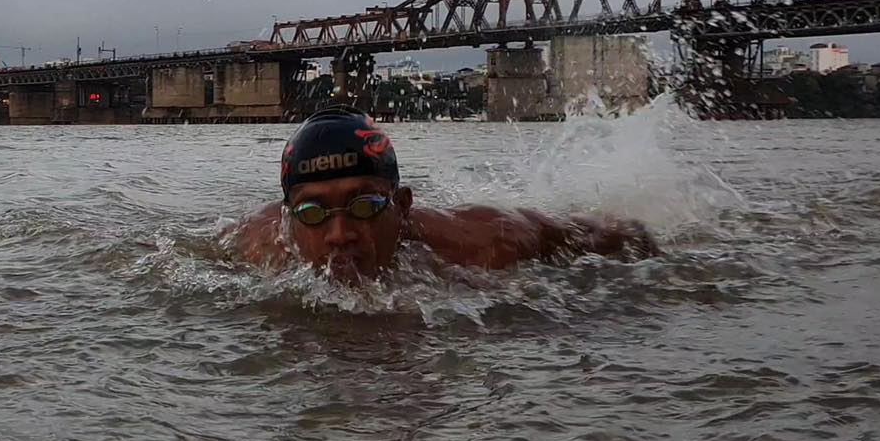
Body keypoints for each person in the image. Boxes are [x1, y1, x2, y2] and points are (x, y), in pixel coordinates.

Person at [231, 105, 657, 282]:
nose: (340, 234)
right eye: (312, 213)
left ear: (401, 207)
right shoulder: (258, 245)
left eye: (365, 206)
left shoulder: (489, 242)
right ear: (288, 221)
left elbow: (622, 235)